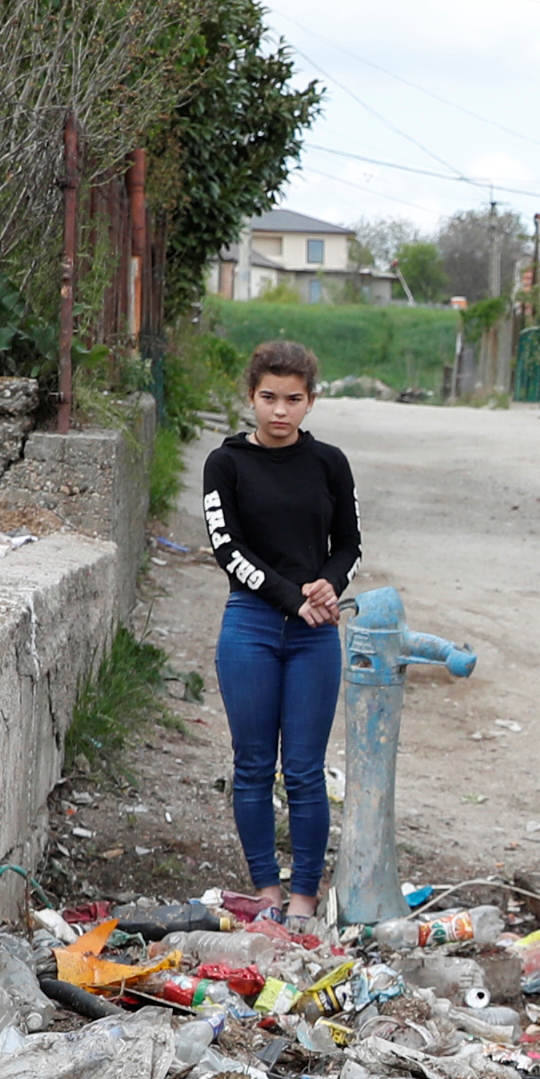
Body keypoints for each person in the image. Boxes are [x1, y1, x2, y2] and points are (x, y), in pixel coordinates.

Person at [202, 341, 361, 921]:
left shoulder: (330, 464)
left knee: (304, 770)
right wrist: (294, 598)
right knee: (251, 766)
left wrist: (328, 583)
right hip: (251, 626)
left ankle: (303, 901)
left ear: (311, 402)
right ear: (251, 396)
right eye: (268, 397)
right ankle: (266, 894)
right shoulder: (226, 465)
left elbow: (349, 542)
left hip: (315, 631)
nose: (279, 411)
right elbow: (227, 549)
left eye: (293, 399)